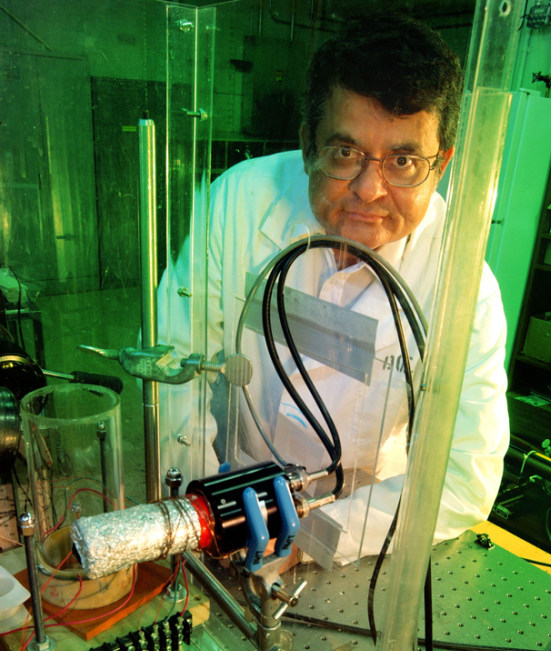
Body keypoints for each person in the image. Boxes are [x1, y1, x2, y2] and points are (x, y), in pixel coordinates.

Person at [158, 12, 509, 565]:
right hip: (226, 483)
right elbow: (174, 367)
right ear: (307, 146)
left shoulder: (464, 287)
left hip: (361, 527)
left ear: (440, 166)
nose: (370, 190)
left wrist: (311, 539)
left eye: (404, 161)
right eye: (346, 153)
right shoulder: (240, 203)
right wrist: (202, 515)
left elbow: (465, 475)